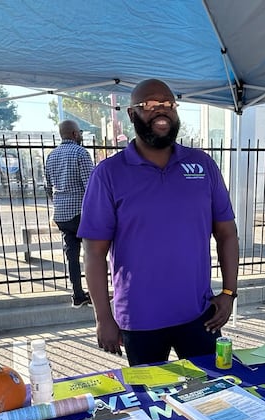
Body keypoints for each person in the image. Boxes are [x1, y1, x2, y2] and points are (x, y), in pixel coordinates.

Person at [79, 79, 240, 366]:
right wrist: (103, 317)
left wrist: (228, 293)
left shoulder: (202, 165)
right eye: (150, 105)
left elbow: (227, 233)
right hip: (140, 321)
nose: (161, 110)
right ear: (132, 114)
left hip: (199, 316)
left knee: (214, 388)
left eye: (168, 104)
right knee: (151, 394)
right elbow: (94, 252)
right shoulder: (108, 173)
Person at [44, 120, 95, 307]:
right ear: (74, 134)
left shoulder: (51, 156)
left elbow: (48, 186)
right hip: (80, 213)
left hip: (61, 214)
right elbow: (91, 185)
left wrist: (58, 202)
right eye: (79, 132)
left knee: (71, 255)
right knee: (92, 254)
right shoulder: (81, 153)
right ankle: (96, 295)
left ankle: (77, 294)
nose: (80, 135)